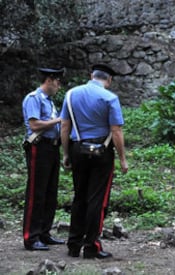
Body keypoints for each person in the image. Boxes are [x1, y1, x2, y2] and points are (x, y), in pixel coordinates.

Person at [60, 64, 128, 259]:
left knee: (79, 197)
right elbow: (116, 131)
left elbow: (65, 126)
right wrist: (123, 159)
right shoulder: (110, 98)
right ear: (109, 80)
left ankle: (73, 245)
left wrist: (66, 154)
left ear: (91, 76)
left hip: (77, 149)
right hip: (101, 152)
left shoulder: (71, 94)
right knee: (97, 199)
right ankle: (91, 246)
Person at [22, 67, 66, 251]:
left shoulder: (49, 102)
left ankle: (44, 233)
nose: (58, 85)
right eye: (57, 81)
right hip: (38, 147)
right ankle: (31, 237)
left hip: (52, 147)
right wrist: (58, 121)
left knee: (50, 193)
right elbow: (34, 124)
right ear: (49, 80)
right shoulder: (34, 98)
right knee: (36, 193)